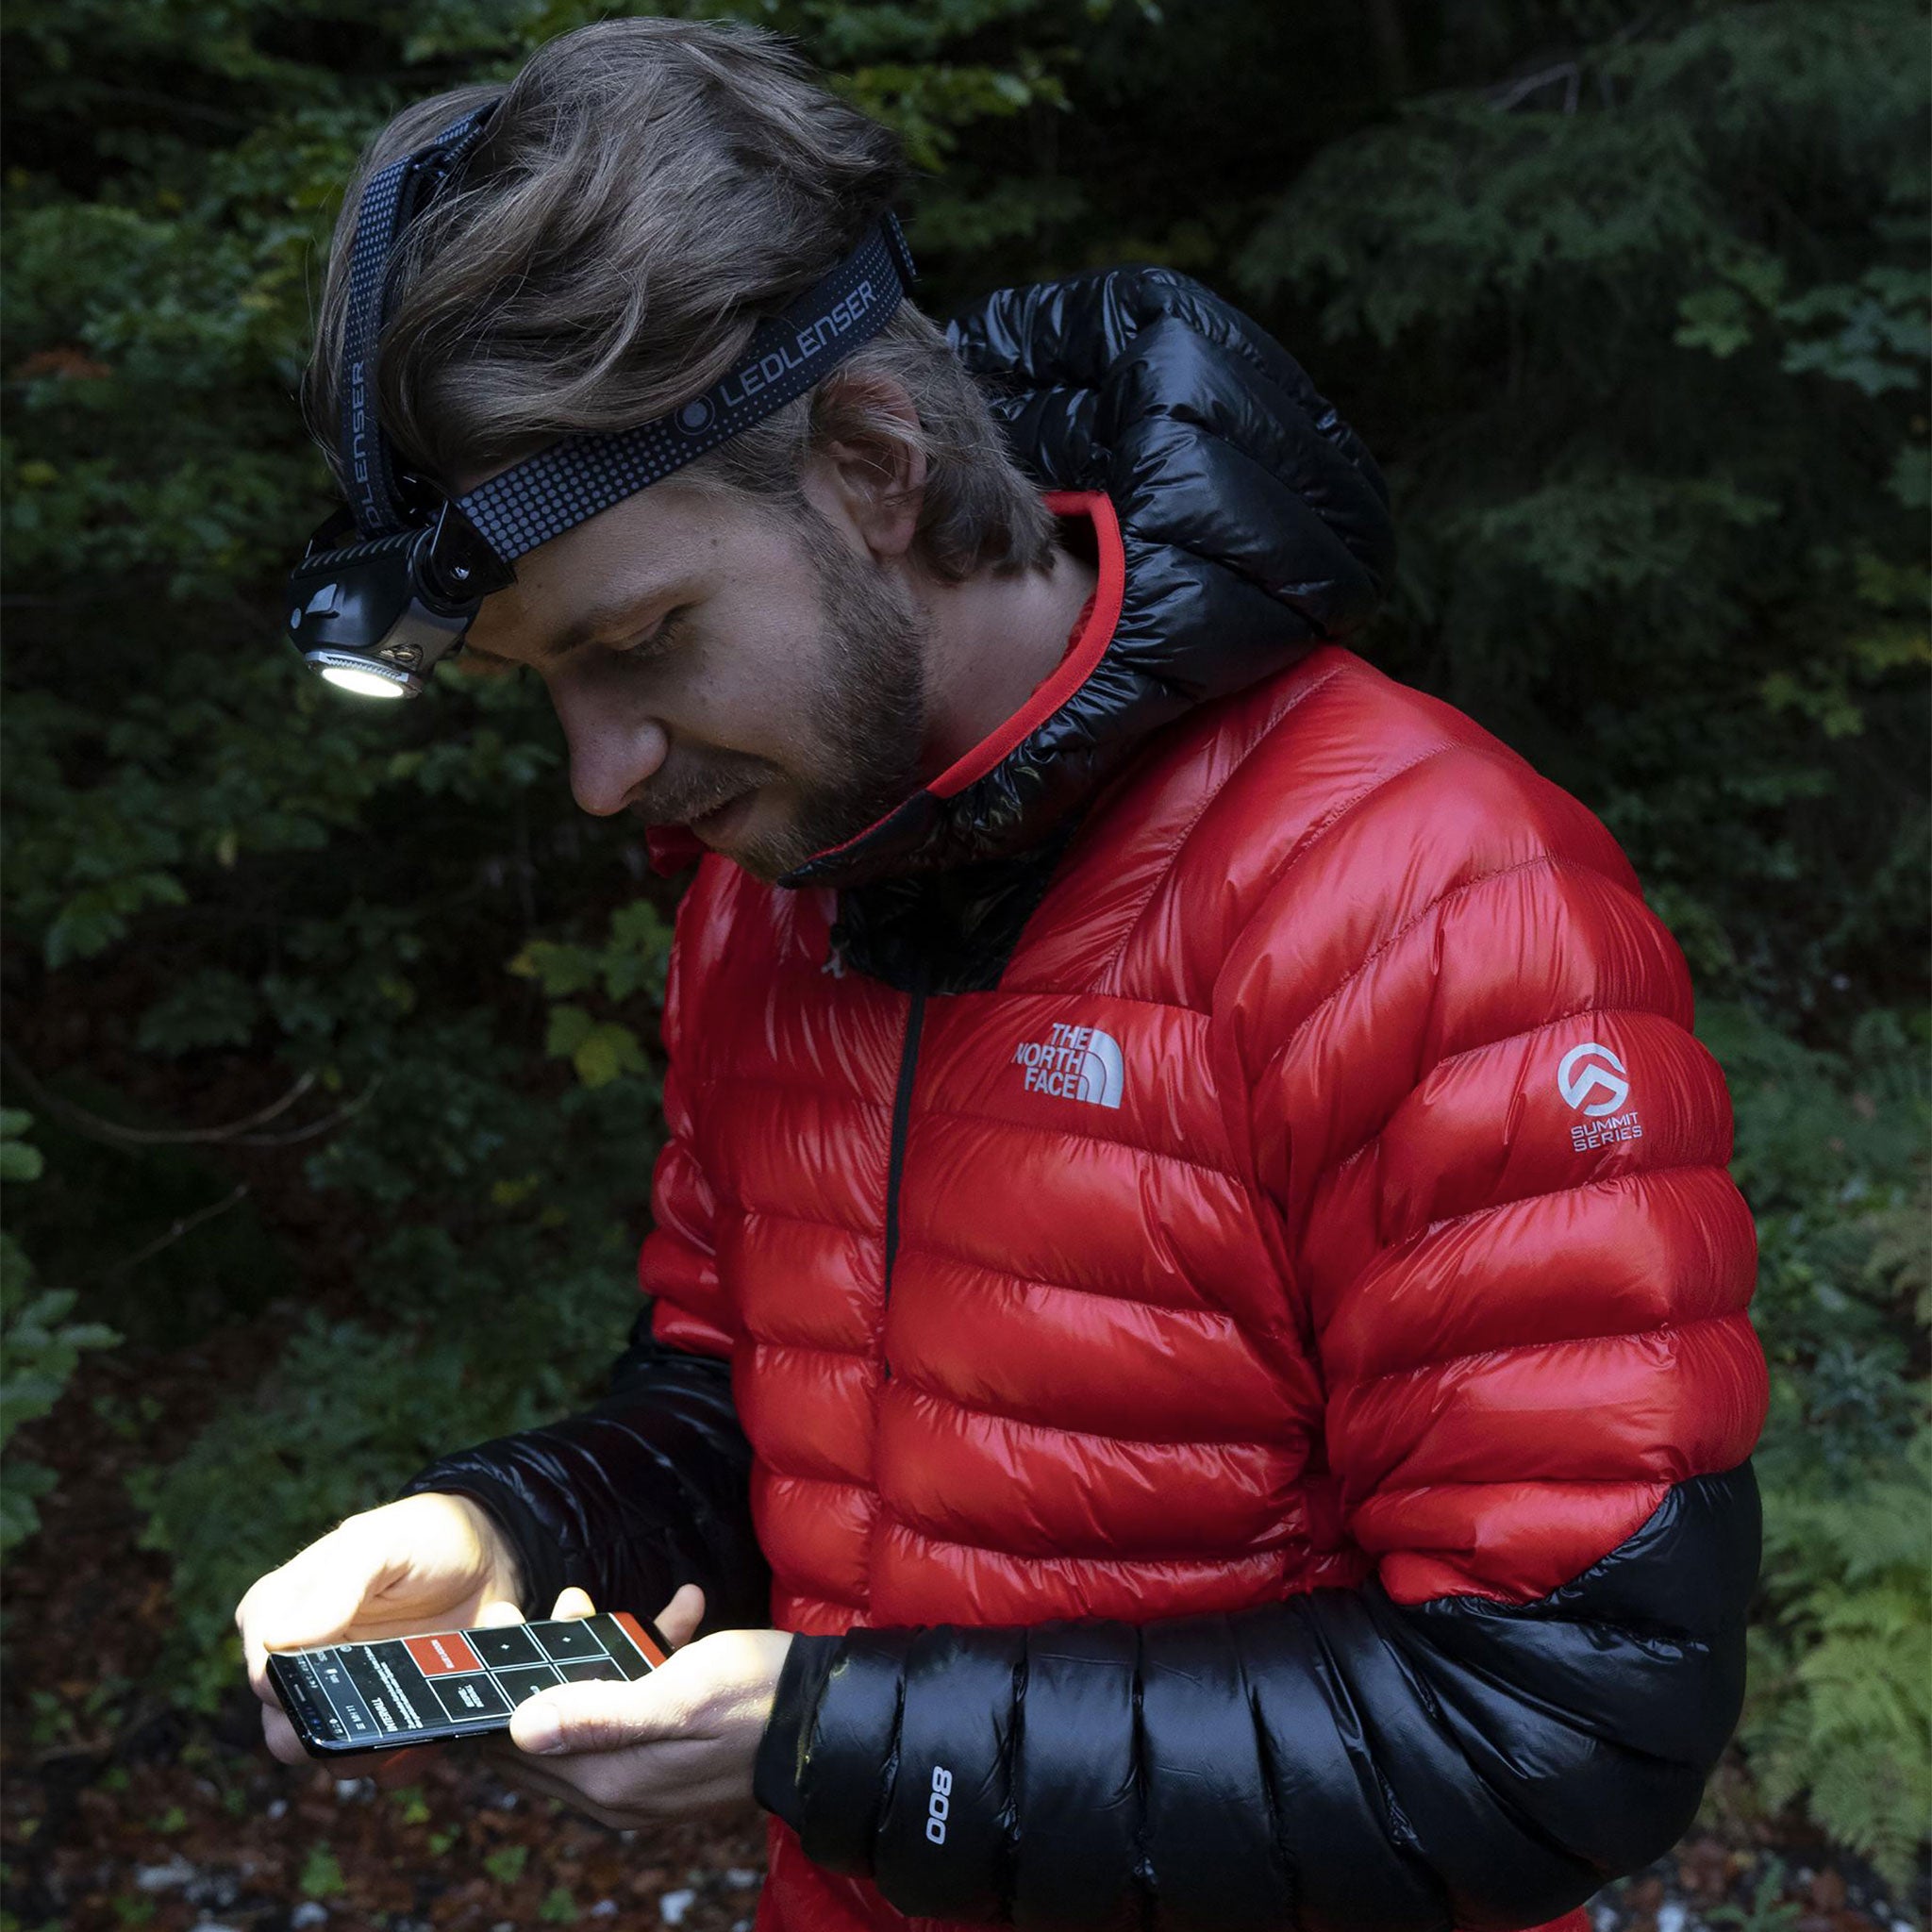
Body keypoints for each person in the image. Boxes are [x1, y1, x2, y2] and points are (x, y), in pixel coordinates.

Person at [235, 19, 1769, 1932]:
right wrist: (508, 1526)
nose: (602, 769)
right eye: (540, 682)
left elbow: (1562, 1722)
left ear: (875, 464)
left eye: (642, 640)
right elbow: (748, 1394)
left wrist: (849, 1737)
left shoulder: (1425, 899)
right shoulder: (769, 892)